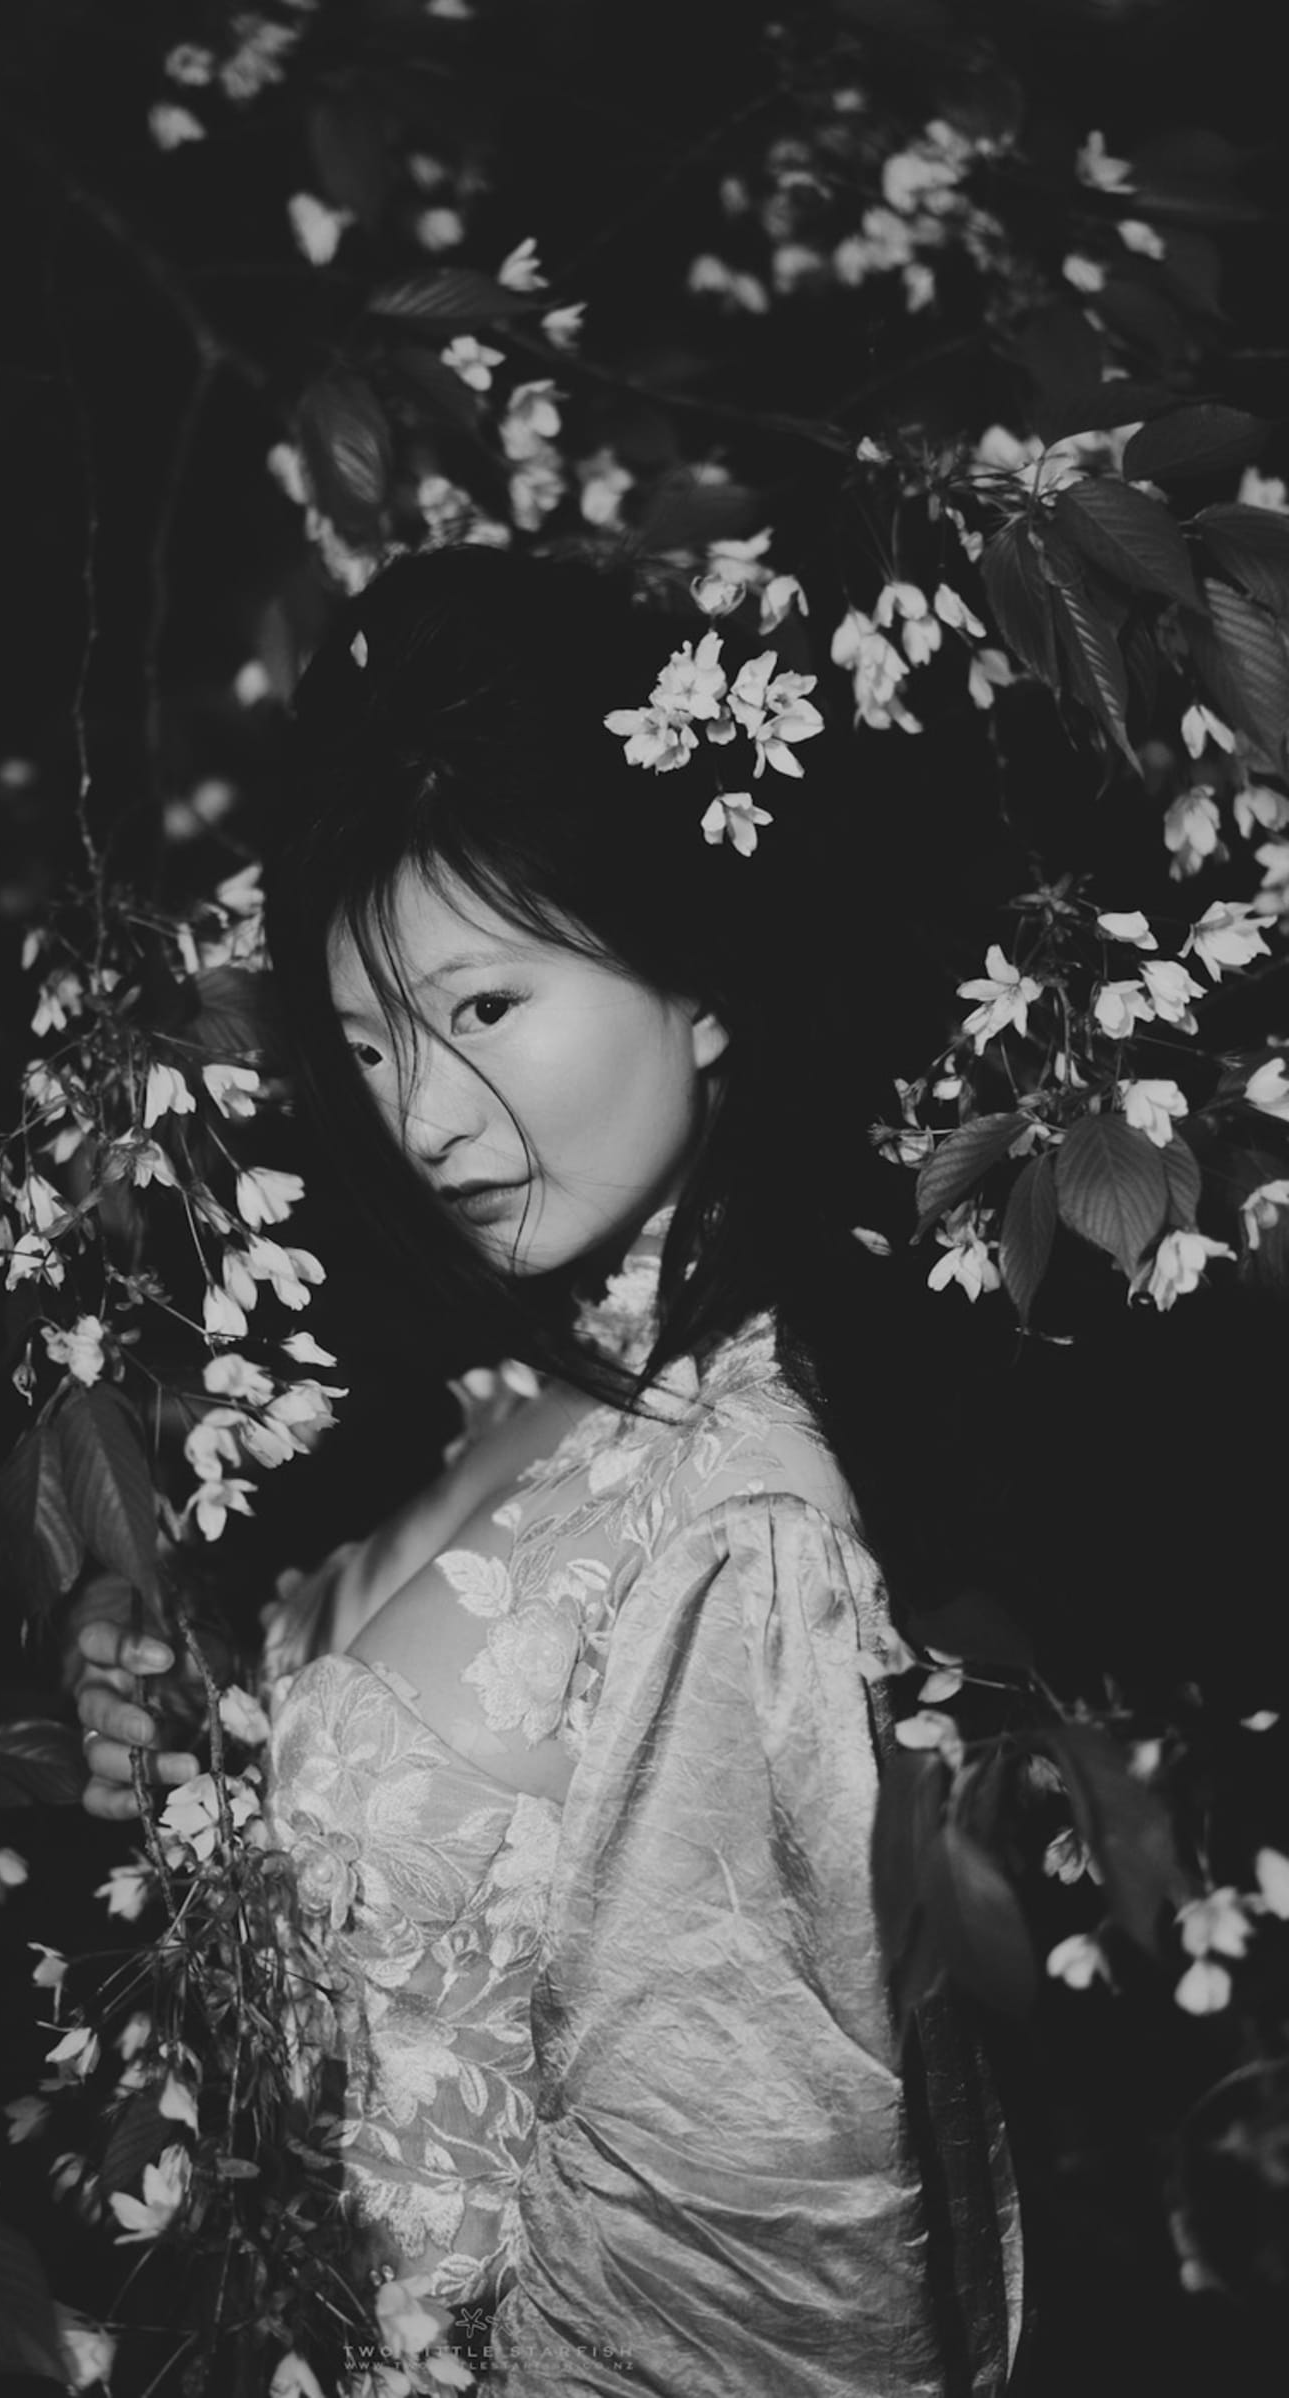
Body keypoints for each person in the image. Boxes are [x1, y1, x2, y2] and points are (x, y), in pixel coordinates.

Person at [69, 546, 1023, 2395]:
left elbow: (755, 2289)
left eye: (483, 1009)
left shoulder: (744, 1529)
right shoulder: (546, 1379)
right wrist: (187, 1704)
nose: (423, 1119)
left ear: (705, 979)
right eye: (369, 1045)